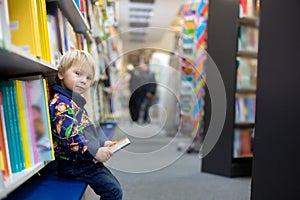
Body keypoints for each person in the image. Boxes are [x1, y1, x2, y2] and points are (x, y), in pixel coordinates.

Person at [48, 50, 122, 200]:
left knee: (114, 187)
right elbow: (71, 137)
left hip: (82, 159)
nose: (83, 81)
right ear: (61, 74)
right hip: (74, 164)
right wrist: (95, 152)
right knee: (113, 192)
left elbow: (84, 131)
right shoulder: (61, 104)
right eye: (78, 74)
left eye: (88, 78)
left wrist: (102, 143)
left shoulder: (74, 101)